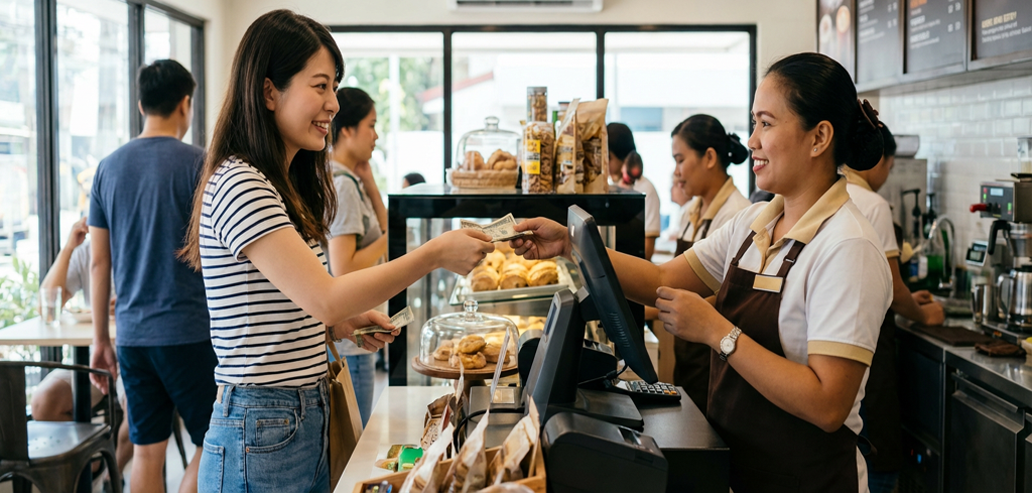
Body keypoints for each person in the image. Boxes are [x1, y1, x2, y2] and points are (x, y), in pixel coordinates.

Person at [511, 52, 892, 492]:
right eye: (754, 123)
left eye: (766, 124)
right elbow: (661, 280)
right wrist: (570, 243)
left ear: (819, 137)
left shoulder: (848, 246)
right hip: (742, 471)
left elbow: (828, 403)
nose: (751, 141)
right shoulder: (754, 223)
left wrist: (718, 333)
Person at [180, 11, 493, 492]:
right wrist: (431, 255)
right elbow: (324, 293)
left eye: (335, 87)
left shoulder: (278, 183)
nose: (333, 104)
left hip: (292, 417)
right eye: (320, 86)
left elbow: (289, 306)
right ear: (268, 92)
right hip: (261, 424)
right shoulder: (241, 182)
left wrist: (336, 326)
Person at [88, 59, 215, 493]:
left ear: (141, 104)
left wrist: (100, 338)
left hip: (133, 337)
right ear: (186, 104)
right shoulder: (201, 164)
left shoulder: (107, 168)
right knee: (213, 442)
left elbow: (98, 262)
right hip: (191, 333)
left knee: (146, 452)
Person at [842, 122, 944, 493]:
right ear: (876, 159)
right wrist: (925, 314)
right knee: (876, 444)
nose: (888, 175)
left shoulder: (825, 195)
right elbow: (894, 287)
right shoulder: (873, 203)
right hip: (870, 342)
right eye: (890, 166)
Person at [33, 217, 133, 475]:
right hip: (95, 358)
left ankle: (110, 478)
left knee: (140, 414)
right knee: (44, 401)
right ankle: (92, 470)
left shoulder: (140, 244)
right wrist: (68, 248)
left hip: (137, 354)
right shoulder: (85, 252)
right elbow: (46, 308)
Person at [667, 114, 751, 413]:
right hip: (688, 353)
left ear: (710, 157)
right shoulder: (691, 210)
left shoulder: (737, 215)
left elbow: (721, 297)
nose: (676, 173)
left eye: (680, 159)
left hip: (715, 356)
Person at [326, 87, 386, 426]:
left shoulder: (347, 178)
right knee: (356, 437)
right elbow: (343, 266)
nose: (376, 136)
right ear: (347, 130)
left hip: (353, 330)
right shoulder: (343, 186)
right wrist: (388, 243)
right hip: (352, 336)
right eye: (371, 125)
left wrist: (371, 183)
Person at [607, 123, 661, 259]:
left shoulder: (645, 189)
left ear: (623, 156)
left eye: (609, 158)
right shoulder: (611, 187)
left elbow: (647, 252)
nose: (605, 164)